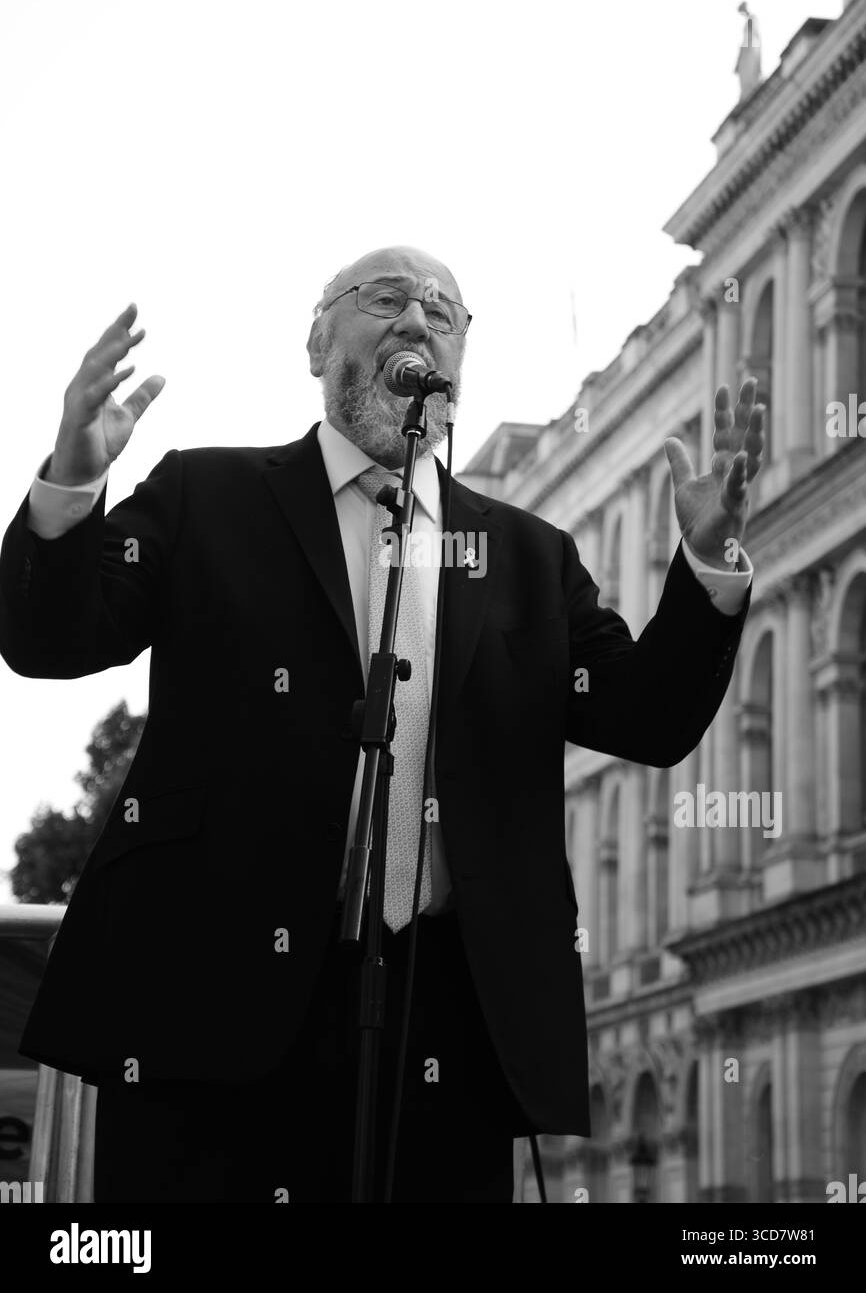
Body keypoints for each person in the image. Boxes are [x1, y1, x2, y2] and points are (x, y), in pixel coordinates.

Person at [0, 246, 762, 1203]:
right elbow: (51, 639)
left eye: (445, 312)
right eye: (388, 299)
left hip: (448, 1023)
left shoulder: (528, 558)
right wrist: (72, 483)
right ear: (319, 343)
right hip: (211, 1007)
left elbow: (647, 719)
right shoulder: (208, 496)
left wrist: (708, 562)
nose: (418, 320)